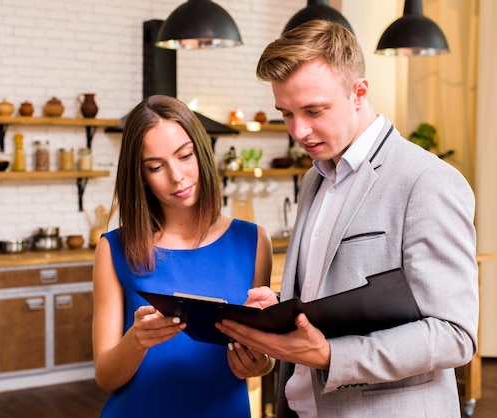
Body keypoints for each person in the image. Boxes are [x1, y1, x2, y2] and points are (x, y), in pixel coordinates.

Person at [216, 20, 478, 417]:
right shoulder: (312, 179)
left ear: (359, 92)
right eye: (286, 113)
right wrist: (280, 311)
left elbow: (454, 335)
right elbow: (329, 296)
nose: (299, 131)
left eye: (314, 110)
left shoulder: (427, 181)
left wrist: (332, 355)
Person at [92, 94, 274, 417]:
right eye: (156, 167)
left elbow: (263, 353)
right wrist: (137, 340)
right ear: (141, 177)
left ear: (200, 153)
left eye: (185, 155)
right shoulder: (113, 249)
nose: (176, 176)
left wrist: (260, 363)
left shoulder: (254, 243)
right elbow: (105, 377)